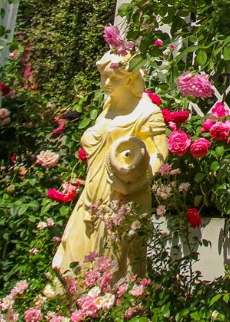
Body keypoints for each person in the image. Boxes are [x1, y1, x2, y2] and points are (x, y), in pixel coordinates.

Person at [52, 49, 167, 278]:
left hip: (123, 199)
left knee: (113, 272)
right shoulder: (107, 111)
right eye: (103, 77)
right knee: (72, 266)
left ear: (131, 78)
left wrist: (135, 182)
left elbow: (159, 155)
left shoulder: (147, 112)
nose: (106, 83)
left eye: (113, 78)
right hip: (91, 199)